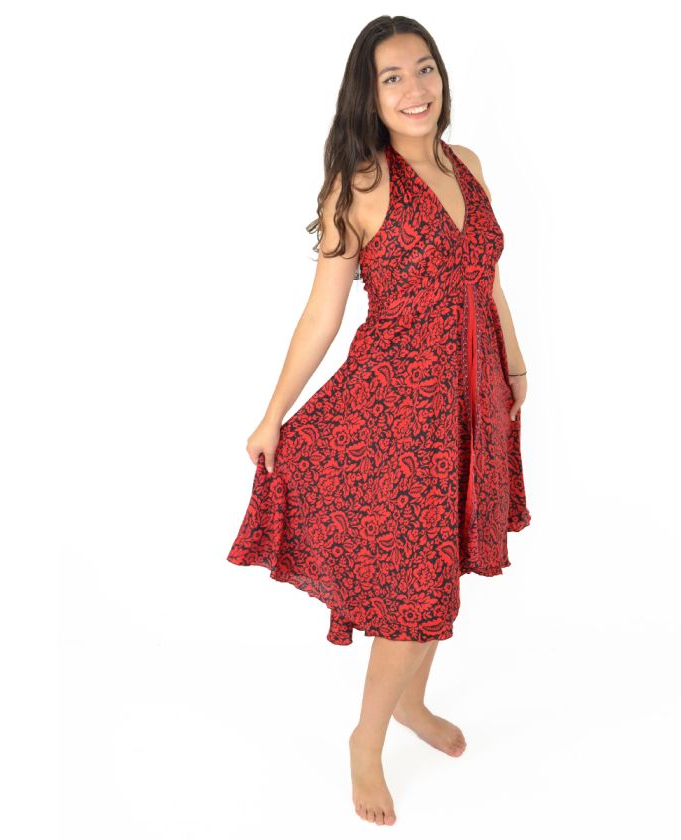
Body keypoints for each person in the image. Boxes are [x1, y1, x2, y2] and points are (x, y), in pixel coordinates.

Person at [226, 15, 531, 826]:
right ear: (368, 93)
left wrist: (514, 363)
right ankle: (367, 739)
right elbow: (321, 316)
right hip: (396, 412)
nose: (414, 88)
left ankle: (412, 704)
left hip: (475, 400)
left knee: (446, 563)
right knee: (414, 584)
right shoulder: (359, 184)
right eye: (391, 77)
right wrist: (272, 415)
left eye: (424, 68)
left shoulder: (468, 165)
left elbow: (486, 278)